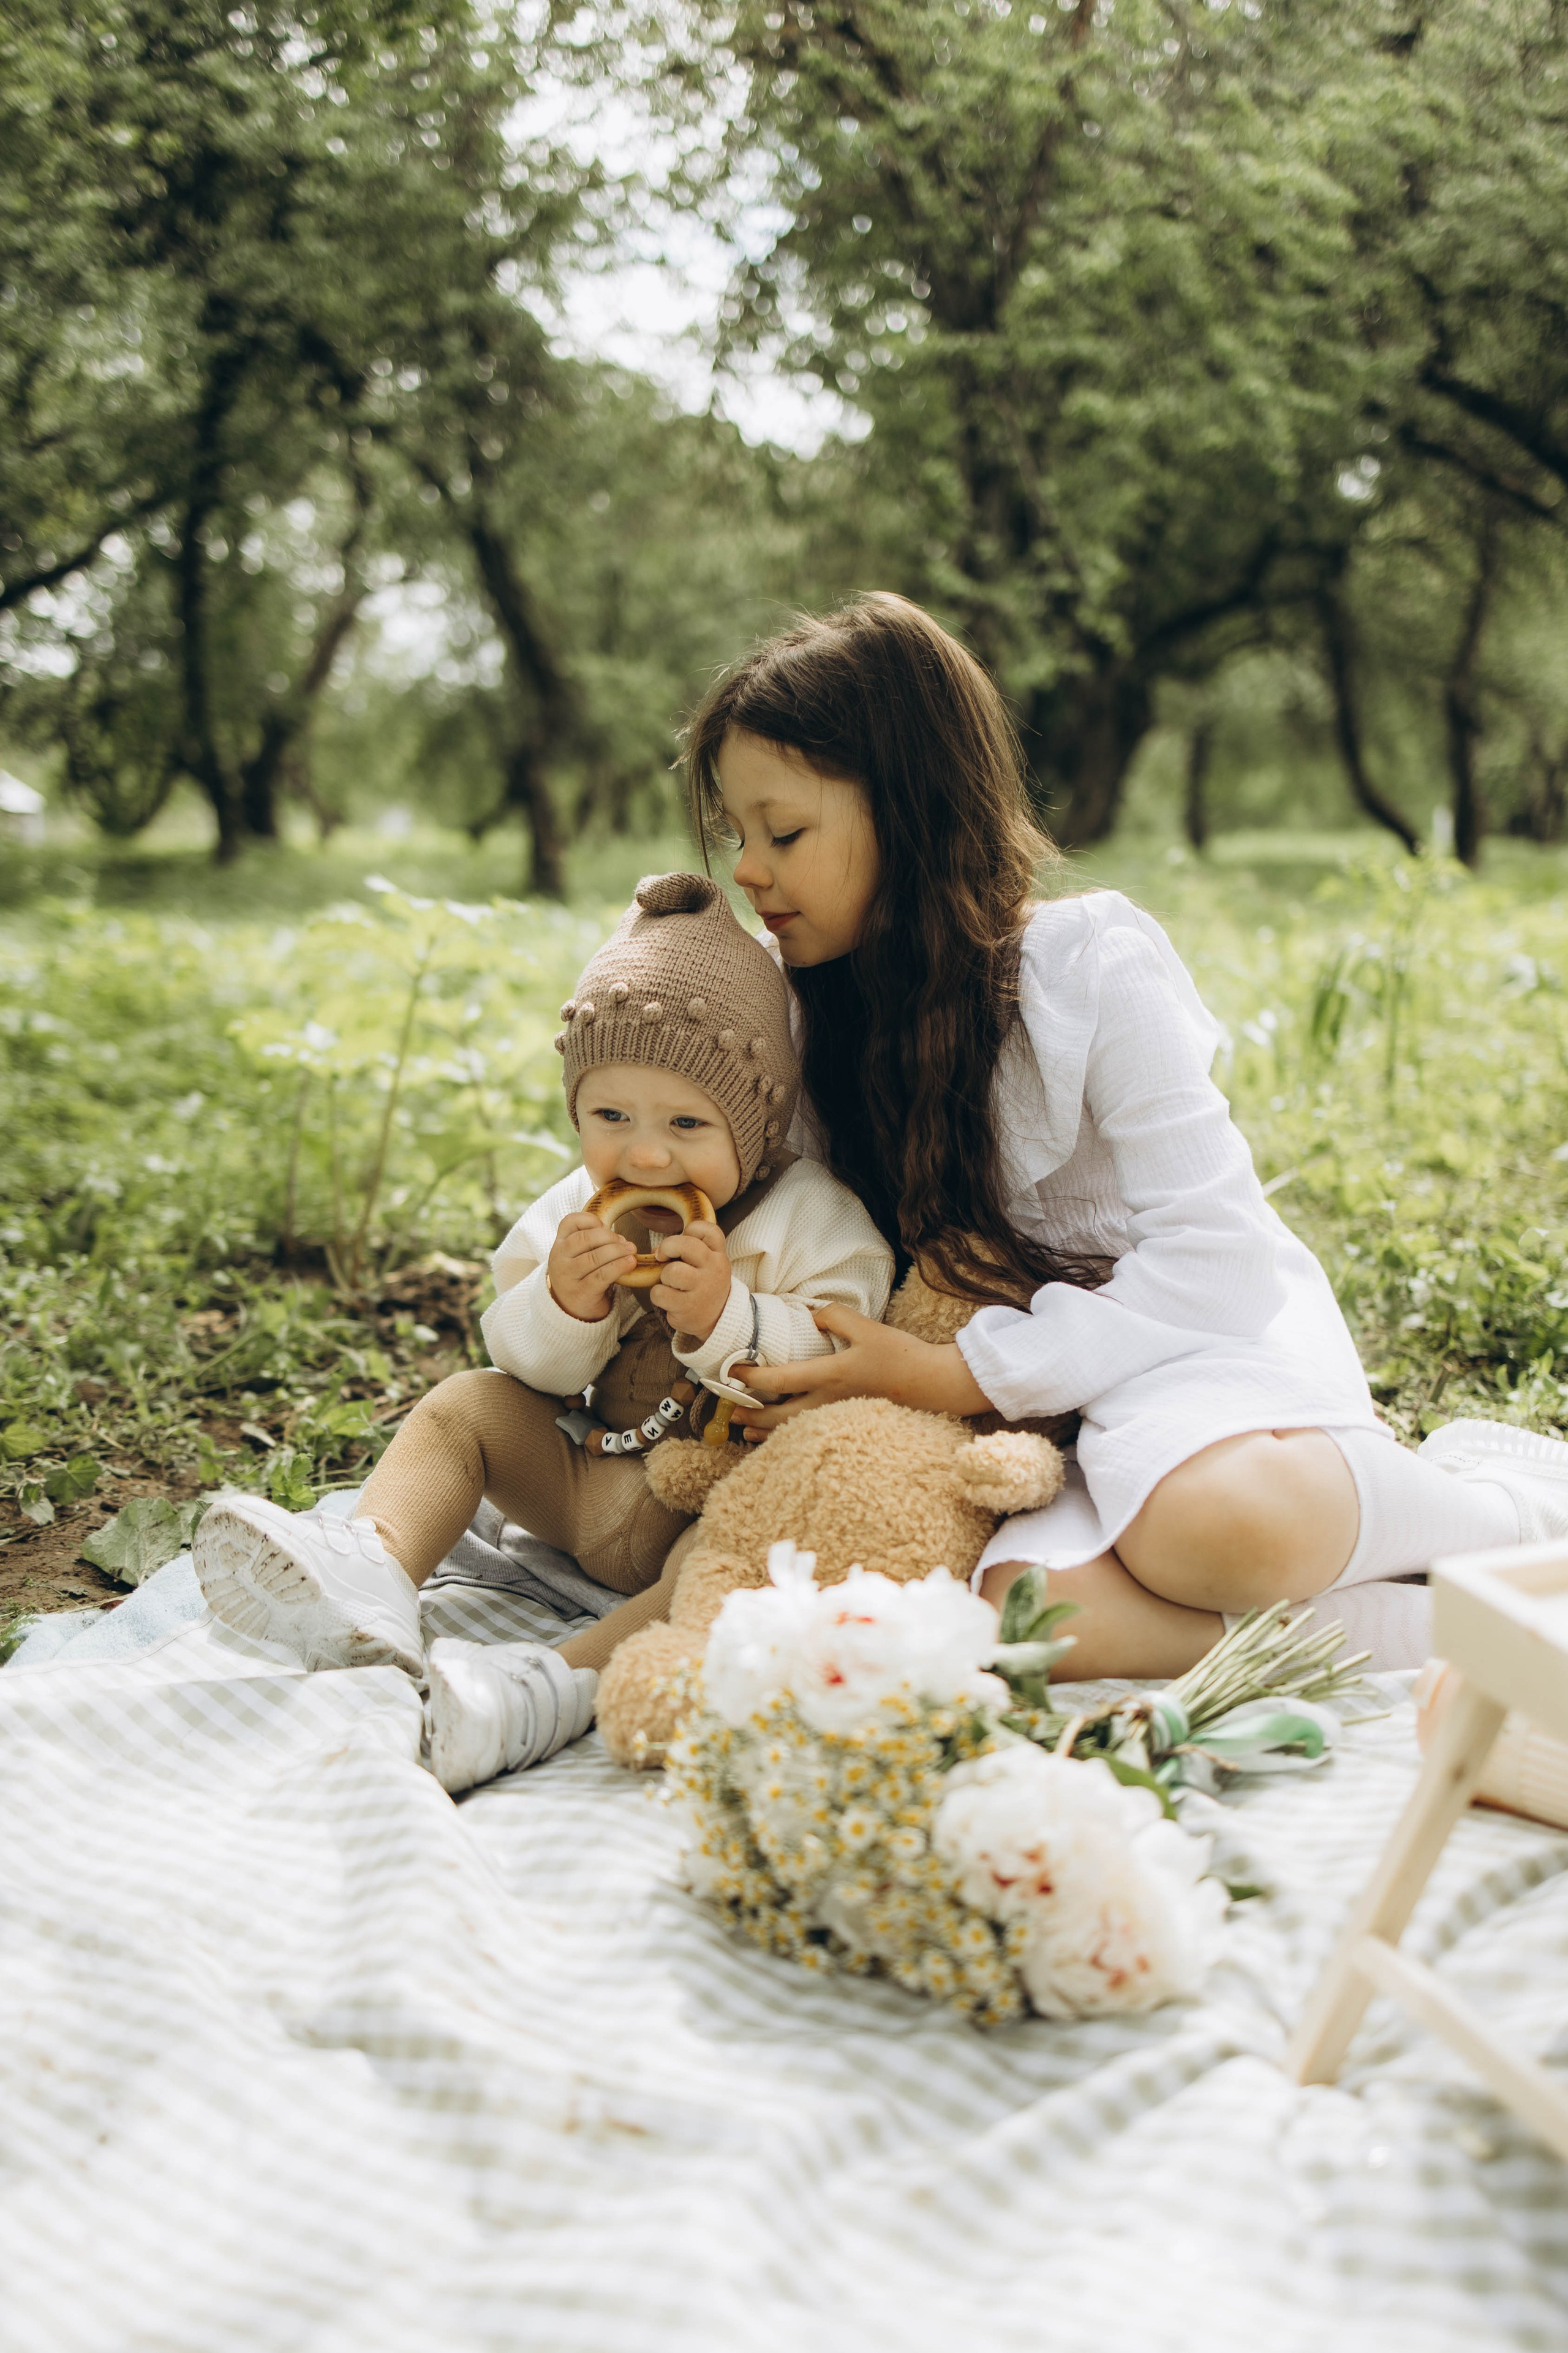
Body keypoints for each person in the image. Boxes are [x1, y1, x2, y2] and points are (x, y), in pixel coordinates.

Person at [673, 590, 1568, 1683]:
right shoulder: (815, 1013)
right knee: (1019, 1616)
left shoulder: (1084, 971)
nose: (749, 870)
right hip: (1020, 1407)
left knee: (1214, 1526)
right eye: (738, 836)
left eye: (786, 832)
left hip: (1184, 1342)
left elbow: (1220, 1265)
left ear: (907, 809)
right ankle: (1414, 1630)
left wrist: (961, 1377)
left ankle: (1502, 1509)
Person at [192, 871, 893, 1787]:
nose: (644, 1153)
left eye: (687, 1122)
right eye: (610, 1116)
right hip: (584, 1478)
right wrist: (567, 1305)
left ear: (756, 1121)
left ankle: (550, 1688)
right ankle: (375, 1573)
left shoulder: (807, 1214)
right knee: (464, 1406)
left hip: (709, 1506)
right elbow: (522, 1364)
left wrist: (734, 1320)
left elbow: (851, 1347)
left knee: (737, 1569)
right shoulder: (578, 1209)